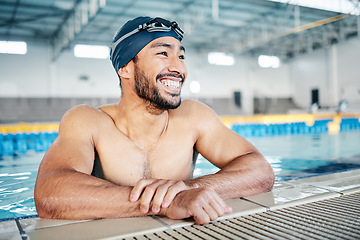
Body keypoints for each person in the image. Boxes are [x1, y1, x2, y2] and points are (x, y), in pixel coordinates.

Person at [34, 16, 275, 225]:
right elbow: (50, 195)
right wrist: (168, 202)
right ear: (125, 68)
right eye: (163, 53)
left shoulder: (193, 117)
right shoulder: (88, 121)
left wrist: (188, 191)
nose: (178, 67)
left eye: (181, 56)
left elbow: (260, 171)